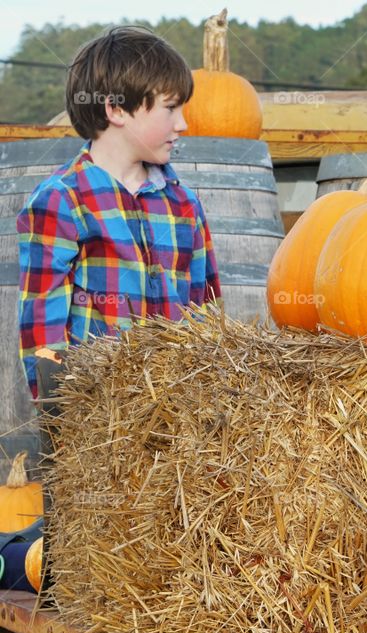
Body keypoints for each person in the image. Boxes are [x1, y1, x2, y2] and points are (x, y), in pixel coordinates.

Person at [18, 25, 221, 407]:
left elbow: (207, 313)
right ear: (115, 109)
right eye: (170, 108)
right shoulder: (62, 201)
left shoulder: (184, 205)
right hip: (100, 420)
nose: (183, 124)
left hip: (179, 420)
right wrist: (61, 415)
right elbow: (43, 332)